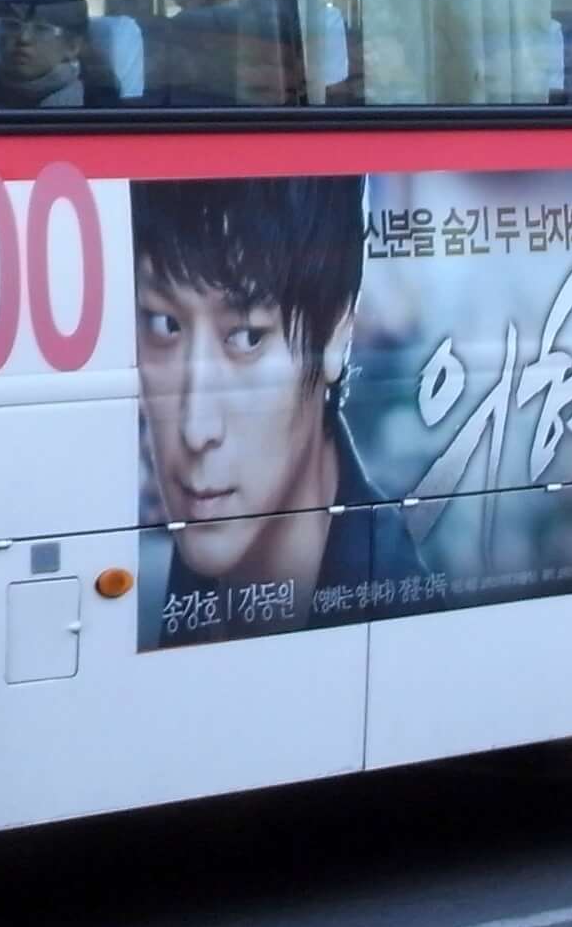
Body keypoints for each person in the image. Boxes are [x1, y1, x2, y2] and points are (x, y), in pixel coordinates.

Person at [132, 174, 422, 637]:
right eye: (166, 325)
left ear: (335, 334)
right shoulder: (187, 593)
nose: (195, 427)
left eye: (246, 337)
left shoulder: (396, 604)